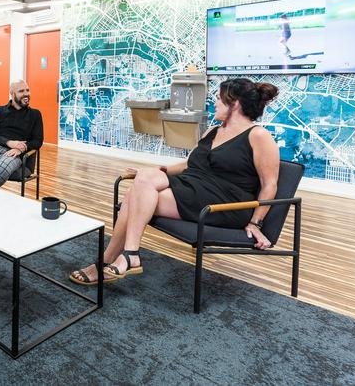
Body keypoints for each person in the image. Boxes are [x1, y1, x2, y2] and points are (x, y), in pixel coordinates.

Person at [70, 78, 280, 285]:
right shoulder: (213, 131)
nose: (214, 102)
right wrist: (155, 171)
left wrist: (255, 223)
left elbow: (269, 184)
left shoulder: (258, 135)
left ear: (235, 103)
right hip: (194, 187)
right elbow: (189, 164)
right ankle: (128, 255)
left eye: (219, 98)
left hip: (224, 203)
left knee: (133, 196)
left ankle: (113, 259)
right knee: (144, 180)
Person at [0, 79, 43, 188]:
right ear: (12, 93)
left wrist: (21, 149)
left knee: (4, 166)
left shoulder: (35, 114)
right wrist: (9, 142)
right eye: (21, 91)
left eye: (27, 90)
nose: (26, 94)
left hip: (15, 153)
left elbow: (38, 140)